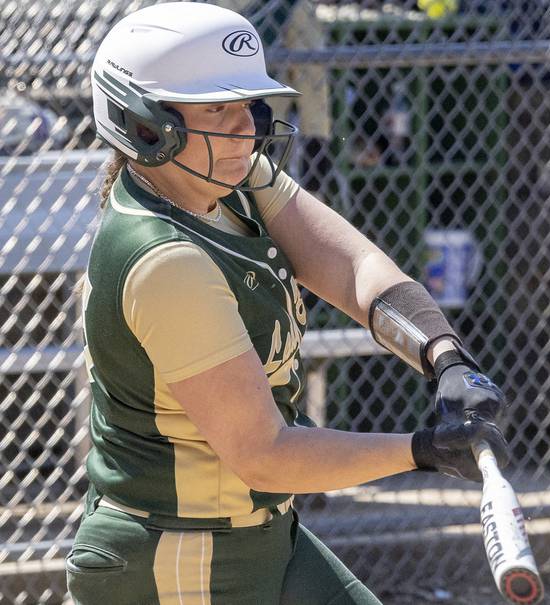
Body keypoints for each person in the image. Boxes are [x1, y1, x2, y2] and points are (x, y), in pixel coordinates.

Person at [67, 3, 509, 604]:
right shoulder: (165, 261)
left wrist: (446, 358)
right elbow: (266, 455)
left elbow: (353, 266)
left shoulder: (234, 180)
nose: (245, 128)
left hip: (265, 536)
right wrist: (423, 451)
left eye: (247, 105)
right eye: (216, 110)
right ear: (145, 124)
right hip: (180, 558)